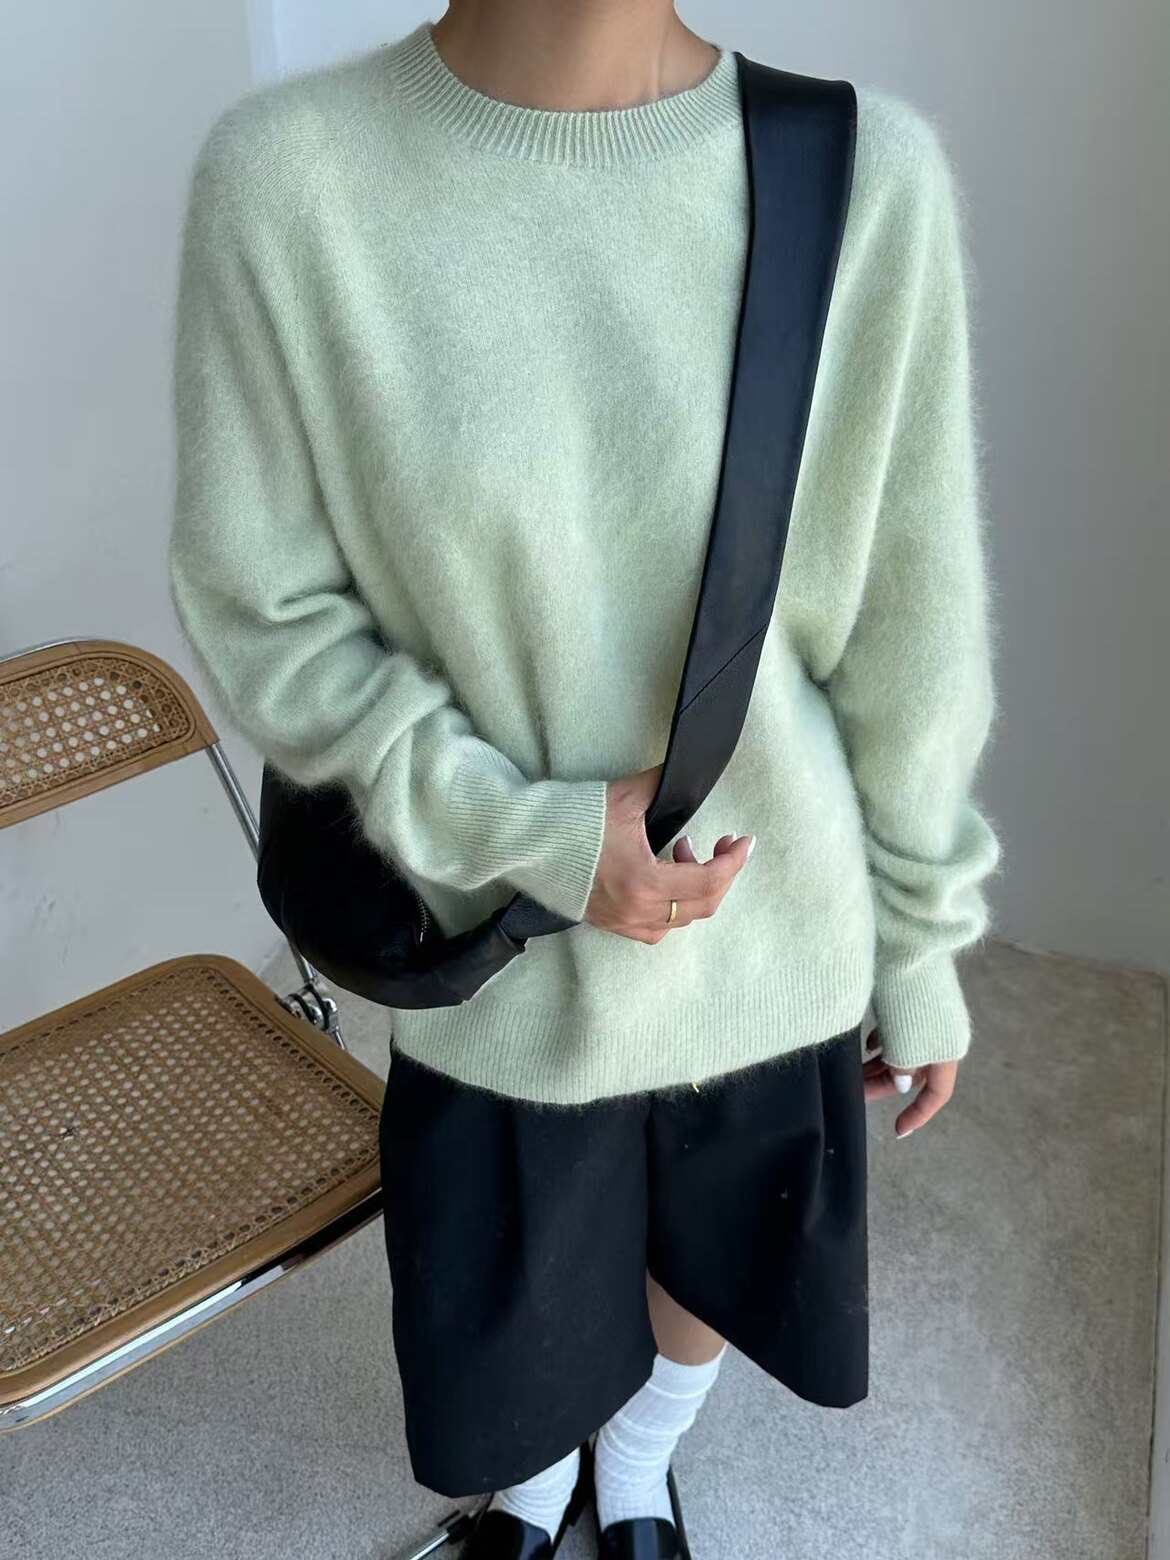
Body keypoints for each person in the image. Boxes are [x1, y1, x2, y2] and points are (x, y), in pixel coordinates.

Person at [168, 3, 1002, 1555]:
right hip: (496, 939)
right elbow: (265, 615)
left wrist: (922, 941)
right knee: (517, 1296)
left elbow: (914, 623)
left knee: (716, 1254)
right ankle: (540, 1487)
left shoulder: (858, 174)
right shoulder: (293, 181)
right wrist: (530, 831)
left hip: (769, 918)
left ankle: (634, 1479)